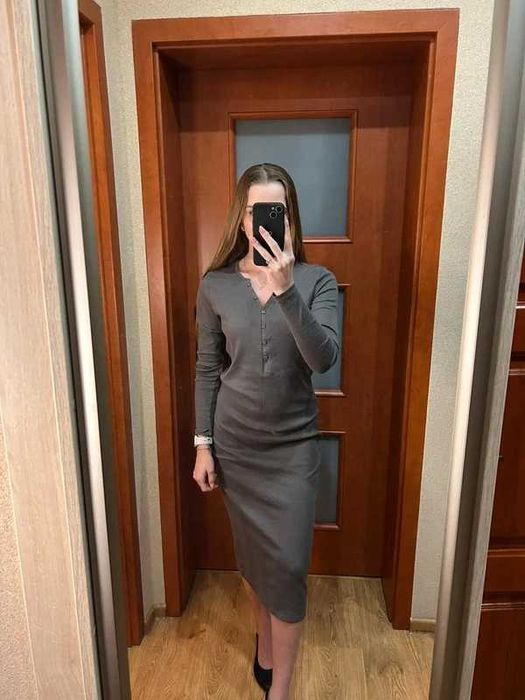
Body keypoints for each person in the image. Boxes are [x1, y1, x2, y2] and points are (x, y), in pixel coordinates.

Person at [193, 163, 339, 700]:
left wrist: (286, 290)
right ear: (243, 217)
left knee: (289, 568)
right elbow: (208, 368)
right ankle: (265, 643)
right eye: (257, 210)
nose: (266, 220)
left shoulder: (317, 281)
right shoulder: (215, 285)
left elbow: (323, 359)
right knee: (254, 563)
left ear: (289, 216)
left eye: (277, 209)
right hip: (236, 451)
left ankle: (281, 689)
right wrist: (203, 445)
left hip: (293, 451)